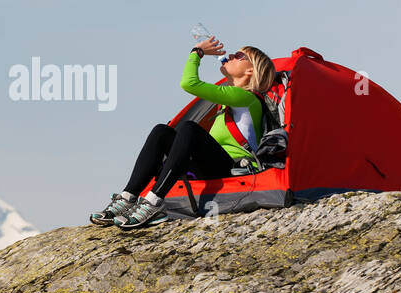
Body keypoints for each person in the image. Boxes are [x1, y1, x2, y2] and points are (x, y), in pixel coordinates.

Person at [91, 36, 276, 230]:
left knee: (189, 128)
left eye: (239, 55)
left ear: (250, 71)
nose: (230, 55)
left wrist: (198, 52)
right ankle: (128, 197)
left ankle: (153, 201)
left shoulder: (246, 98)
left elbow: (189, 83)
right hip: (211, 166)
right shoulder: (227, 101)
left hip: (232, 167)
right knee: (162, 131)